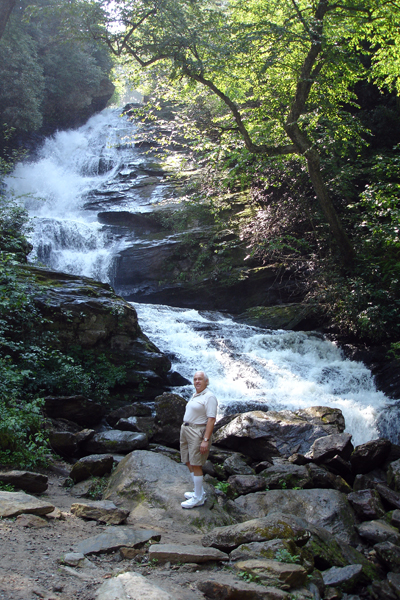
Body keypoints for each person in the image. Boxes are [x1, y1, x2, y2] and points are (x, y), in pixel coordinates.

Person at [180, 370, 218, 509]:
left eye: (200, 379)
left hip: (198, 432)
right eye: (195, 379)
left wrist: (205, 440)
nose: (197, 381)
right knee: (188, 460)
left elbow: (212, 419)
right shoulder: (195, 394)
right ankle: (199, 492)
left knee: (196, 463)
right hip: (186, 429)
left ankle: (198, 498)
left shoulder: (209, 396)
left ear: (206, 381)